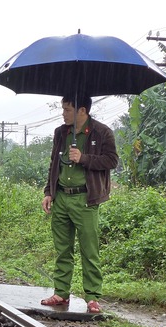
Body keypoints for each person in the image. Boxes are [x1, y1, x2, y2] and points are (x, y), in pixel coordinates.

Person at [40, 94, 118, 314]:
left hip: (85, 198)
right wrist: (49, 192)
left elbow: (112, 160)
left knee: (89, 249)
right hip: (62, 197)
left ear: (82, 111)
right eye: (63, 109)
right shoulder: (60, 133)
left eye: (67, 110)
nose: (63, 114)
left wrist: (83, 158)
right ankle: (61, 293)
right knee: (62, 249)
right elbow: (54, 163)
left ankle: (92, 296)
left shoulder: (102, 132)